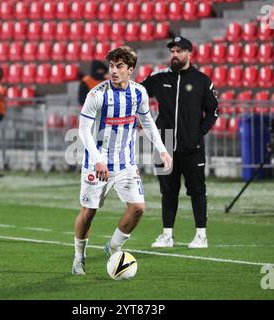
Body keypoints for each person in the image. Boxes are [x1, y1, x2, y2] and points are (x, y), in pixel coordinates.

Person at [72, 46, 172, 275]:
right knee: (88, 213)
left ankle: (113, 247)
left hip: (125, 163)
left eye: (119, 67)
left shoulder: (139, 93)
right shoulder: (96, 95)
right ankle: (79, 257)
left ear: (130, 70)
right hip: (96, 164)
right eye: (111, 66)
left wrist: (162, 150)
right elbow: (84, 130)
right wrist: (97, 160)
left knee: (138, 208)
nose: (114, 71)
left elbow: (147, 122)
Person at [141, 36, 218, 249]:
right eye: (172, 51)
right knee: (168, 191)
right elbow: (137, 94)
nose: (174, 55)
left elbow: (213, 111)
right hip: (163, 144)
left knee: (197, 190)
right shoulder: (159, 77)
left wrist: (199, 133)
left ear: (189, 54)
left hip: (192, 147)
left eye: (179, 51)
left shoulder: (202, 80)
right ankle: (167, 235)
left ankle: (201, 236)